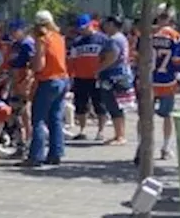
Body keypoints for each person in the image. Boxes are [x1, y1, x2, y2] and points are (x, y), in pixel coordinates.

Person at [23, 10, 68, 168]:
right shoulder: (59, 38)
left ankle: (36, 156)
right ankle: (56, 153)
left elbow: (40, 65)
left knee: (39, 119)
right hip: (63, 79)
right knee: (55, 118)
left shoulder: (42, 40)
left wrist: (31, 65)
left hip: (48, 81)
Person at [150, 9, 180, 160]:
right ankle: (165, 147)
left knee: (145, 116)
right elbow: (178, 61)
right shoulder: (175, 36)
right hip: (167, 80)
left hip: (149, 80)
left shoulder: (148, 34)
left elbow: (138, 57)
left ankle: (142, 146)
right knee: (167, 116)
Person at [67, 13, 110, 142]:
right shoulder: (77, 42)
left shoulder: (102, 39)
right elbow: (72, 60)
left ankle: (101, 131)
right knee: (81, 105)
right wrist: (71, 76)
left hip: (97, 77)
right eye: (80, 28)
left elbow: (107, 56)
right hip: (80, 77)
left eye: (84, 27)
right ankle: (82, 130)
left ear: (90, 25)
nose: (82, 30)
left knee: (99, 104)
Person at [97, 16, 132, 146]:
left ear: (112, 24)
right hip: (120, 75)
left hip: (113, 77)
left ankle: (120, 136)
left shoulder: (114, 39)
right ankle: (119, 134)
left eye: (106, 23)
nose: (104, 26)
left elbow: (112, 57)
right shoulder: (121, 37)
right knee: (117, 107)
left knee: (114, 106)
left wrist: (99, 69)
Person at [7, 19, 36, 148]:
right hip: (15, 78)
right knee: (17, 110)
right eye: (11, 30)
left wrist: (27, 81)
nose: (12, 33)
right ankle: (21, 136)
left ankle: (29, 136)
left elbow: (32, 64)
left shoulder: (27, 44)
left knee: (25, 110)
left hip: (24, 78)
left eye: (15, 30)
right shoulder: (15, 45)